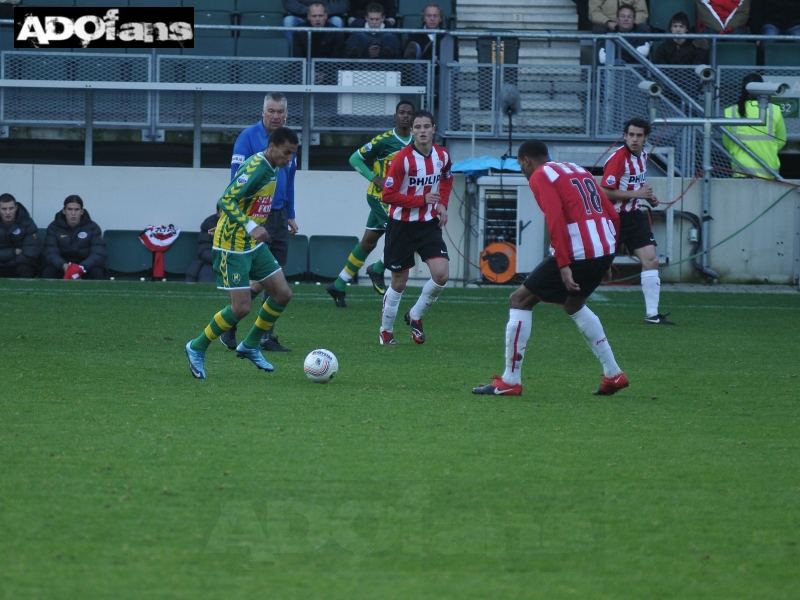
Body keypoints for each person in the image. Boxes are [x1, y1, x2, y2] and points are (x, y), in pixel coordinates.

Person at [473, 140, 628, 397]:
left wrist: (564, 264)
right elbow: (612, 213)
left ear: (526, 161)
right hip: (602, 247)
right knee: (573, 305)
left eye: (520, 165)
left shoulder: (539, 175)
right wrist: (608, 258)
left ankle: (511, 380)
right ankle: (613, 373)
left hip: (578, 252)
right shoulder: (576, 168)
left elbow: (555, 217)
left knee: (519, 300)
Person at [185, 127, 299, 380]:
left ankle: (249, 345)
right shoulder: (256, 167)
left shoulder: (274, 166)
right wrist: (250, 226)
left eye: (293, 154)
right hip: (233, 245)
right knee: (241, 308)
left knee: (282, 294)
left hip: (251, 244)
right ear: (272, 147)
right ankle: (196, 347)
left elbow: (246, 202)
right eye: (287, 153)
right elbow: (226, 199)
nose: (290, 159)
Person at [222, 92, 298, 353]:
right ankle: (232, 322)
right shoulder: (247, 138)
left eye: (280, 112)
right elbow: (235, 182)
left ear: (286, 114)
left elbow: (290, 179)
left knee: (274, 275)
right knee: (265, 278)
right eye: (271, 111)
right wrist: (237, 220)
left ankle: (265, 336)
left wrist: (290, 212)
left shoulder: (287, 142)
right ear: (262, 112)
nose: (276, 116)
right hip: (254, 219)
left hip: (277, 216)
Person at [326, 100, 414, 307]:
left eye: (409, 113)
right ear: (395, 116)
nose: (405, 116)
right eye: (402, 112)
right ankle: (377, 268)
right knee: (403, 235)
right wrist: (375, 178)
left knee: (368, 242)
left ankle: (338, 285)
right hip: (380, 198)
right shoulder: (384, 141)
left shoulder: (416, 142)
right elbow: (354, 159)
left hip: (399, 201)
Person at [378, 110, 452, 346]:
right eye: (417, 127)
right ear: (412, 131)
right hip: (401, 226)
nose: (422, 131)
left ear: (433, 129)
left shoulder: (442, 155)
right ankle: (386, 331)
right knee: (399, 281)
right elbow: (388, 195)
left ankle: (415, 315)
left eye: (426, 126)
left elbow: (447, 178)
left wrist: (442, 204)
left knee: (441, 274)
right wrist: (421, 201)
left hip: (428, 225)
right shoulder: (403, 159)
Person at [601, 117, 674, 325]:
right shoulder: (618, 159)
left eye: (639, 136)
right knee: (594, 265)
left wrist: (648, 197)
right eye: (631, 135)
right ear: (624, 136)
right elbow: (605, 191)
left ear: (646, 138)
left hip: (635, 217)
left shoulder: (642, 155)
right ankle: (568, 299)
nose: (634, 139)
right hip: (613, 219)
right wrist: (638, 193)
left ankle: (652, 315)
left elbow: (636, 185)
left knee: (651, 259)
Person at [723, 73, 786, 179]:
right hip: (769, 170)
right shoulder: (773, 110)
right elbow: (781, 140)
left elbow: (727, 143)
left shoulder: (731, 111)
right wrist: (768, 148)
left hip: (741, 170)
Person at [41, 195, 107, 280]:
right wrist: (64, 265)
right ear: (64, 211)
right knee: (48, 271)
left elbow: (98, 253)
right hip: (62, 267)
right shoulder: (54, 227)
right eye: (70, 209)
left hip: (86, 267)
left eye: (76, 210)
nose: (73, 213)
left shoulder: (93, 227)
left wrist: (82, 267)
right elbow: (50, 252)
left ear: (82, 211)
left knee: (97, 272)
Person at [291, 1, 345, 66]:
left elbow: (336, 59)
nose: (317, 19)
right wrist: (311, 72)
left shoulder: (335, 32)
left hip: (329, 70)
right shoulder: (299, 31)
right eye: (314, 16)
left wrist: (324, 72)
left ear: (326, 15)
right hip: (306, 69)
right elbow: (298, 59)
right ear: (308, 16)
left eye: (320, 15)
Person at [0, 193, 40, 279]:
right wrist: (13, 252)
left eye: (11, 208)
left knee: (25, 269)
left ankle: (26, 293)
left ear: (16, 208)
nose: (8, 212)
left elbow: (30, 253)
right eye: (4, 209)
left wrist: (7, 263)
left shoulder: (28, 223)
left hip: (22, 264)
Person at [282, 0, 347, 50]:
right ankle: (294, 58)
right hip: (302, 17)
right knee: (288, 21)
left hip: (326, 17)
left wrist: (324, 10)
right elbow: (288, 2)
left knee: (337, 21)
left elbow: (344, 4)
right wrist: (307, 10)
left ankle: (336, 60)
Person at [185, 207, 219, 284]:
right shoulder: (209, 224)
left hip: (238, 263)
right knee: (207, 278)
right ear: (218, 212)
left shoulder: (244, 224)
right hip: (213, 263)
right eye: (223, 211)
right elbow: (205, 250)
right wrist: (221, 260)